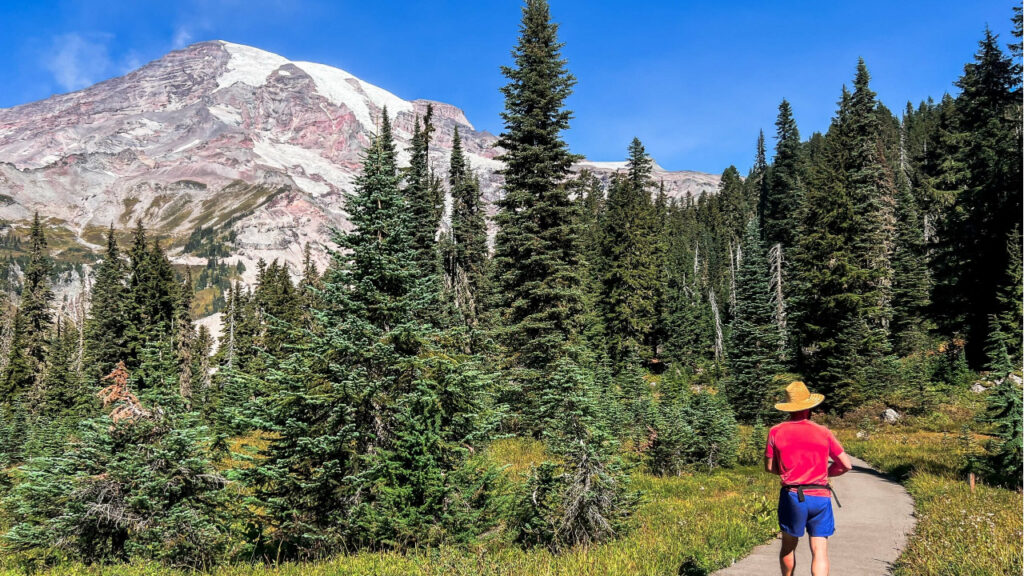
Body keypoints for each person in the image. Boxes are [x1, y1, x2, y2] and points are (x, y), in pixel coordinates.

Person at [764, 381, 853, 576]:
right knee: (820, 550)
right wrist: (824, 473)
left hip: (793, 496)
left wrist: (787, 471)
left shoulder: (776, 431)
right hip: (820, 495)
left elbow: (770, 467)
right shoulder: (823, 431)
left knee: (788, 546)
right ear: (809, 407)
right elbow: (846, 465)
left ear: (789, 408)